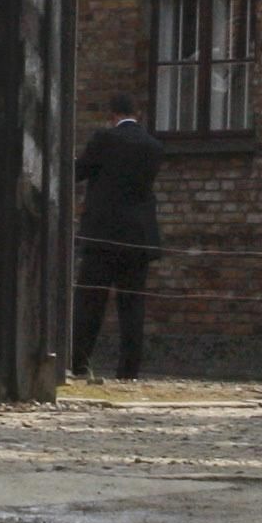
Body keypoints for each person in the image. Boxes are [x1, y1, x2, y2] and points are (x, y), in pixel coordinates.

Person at [71, 95, 164, 381]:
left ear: (112, 115)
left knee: (90, 302)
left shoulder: (104, 139)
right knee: (132, 305)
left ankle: (78, 363)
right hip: (138, 236)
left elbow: (79, 172)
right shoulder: (153, 146)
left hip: (103, 235)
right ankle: (128, 371)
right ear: (138, 113)